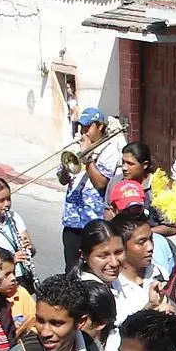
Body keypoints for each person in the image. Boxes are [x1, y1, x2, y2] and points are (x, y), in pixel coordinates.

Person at [58, 107, 123, 271]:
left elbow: (101, 183)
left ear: (100, 126)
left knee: (92, 268)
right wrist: (66, 167)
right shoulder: (76, 145)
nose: (83, 131)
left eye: (88, 127)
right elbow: (63, 180)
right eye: (81, 127)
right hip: (72, 221)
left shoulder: (110, 150)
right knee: (71, 269)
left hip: (94, 222)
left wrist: (87, 160)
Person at [110, 211, 169, 320]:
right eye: (141, 242)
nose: (150, 247)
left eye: (151, 239)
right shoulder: (112, 285)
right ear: (121, 246)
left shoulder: (160, 273)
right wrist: (149, 309)